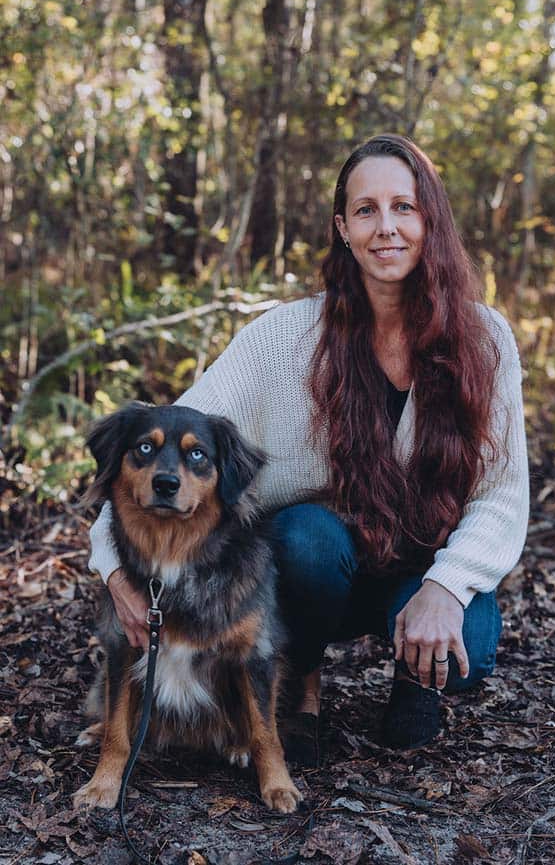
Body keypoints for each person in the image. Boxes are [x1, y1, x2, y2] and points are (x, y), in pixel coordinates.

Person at [88, 134, 529, 766]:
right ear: (342, 228)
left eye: (404, 207)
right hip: (322, 570)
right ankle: (304, 684)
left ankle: (416, 667)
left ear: (430, 218)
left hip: (421, 567)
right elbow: (167, 447)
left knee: (474, 649)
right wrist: (114, 571)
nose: (387, 228)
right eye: (366, 210)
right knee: (303, 539)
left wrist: (448, 588)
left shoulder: (485, 340)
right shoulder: (283, 340)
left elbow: (502, 496)